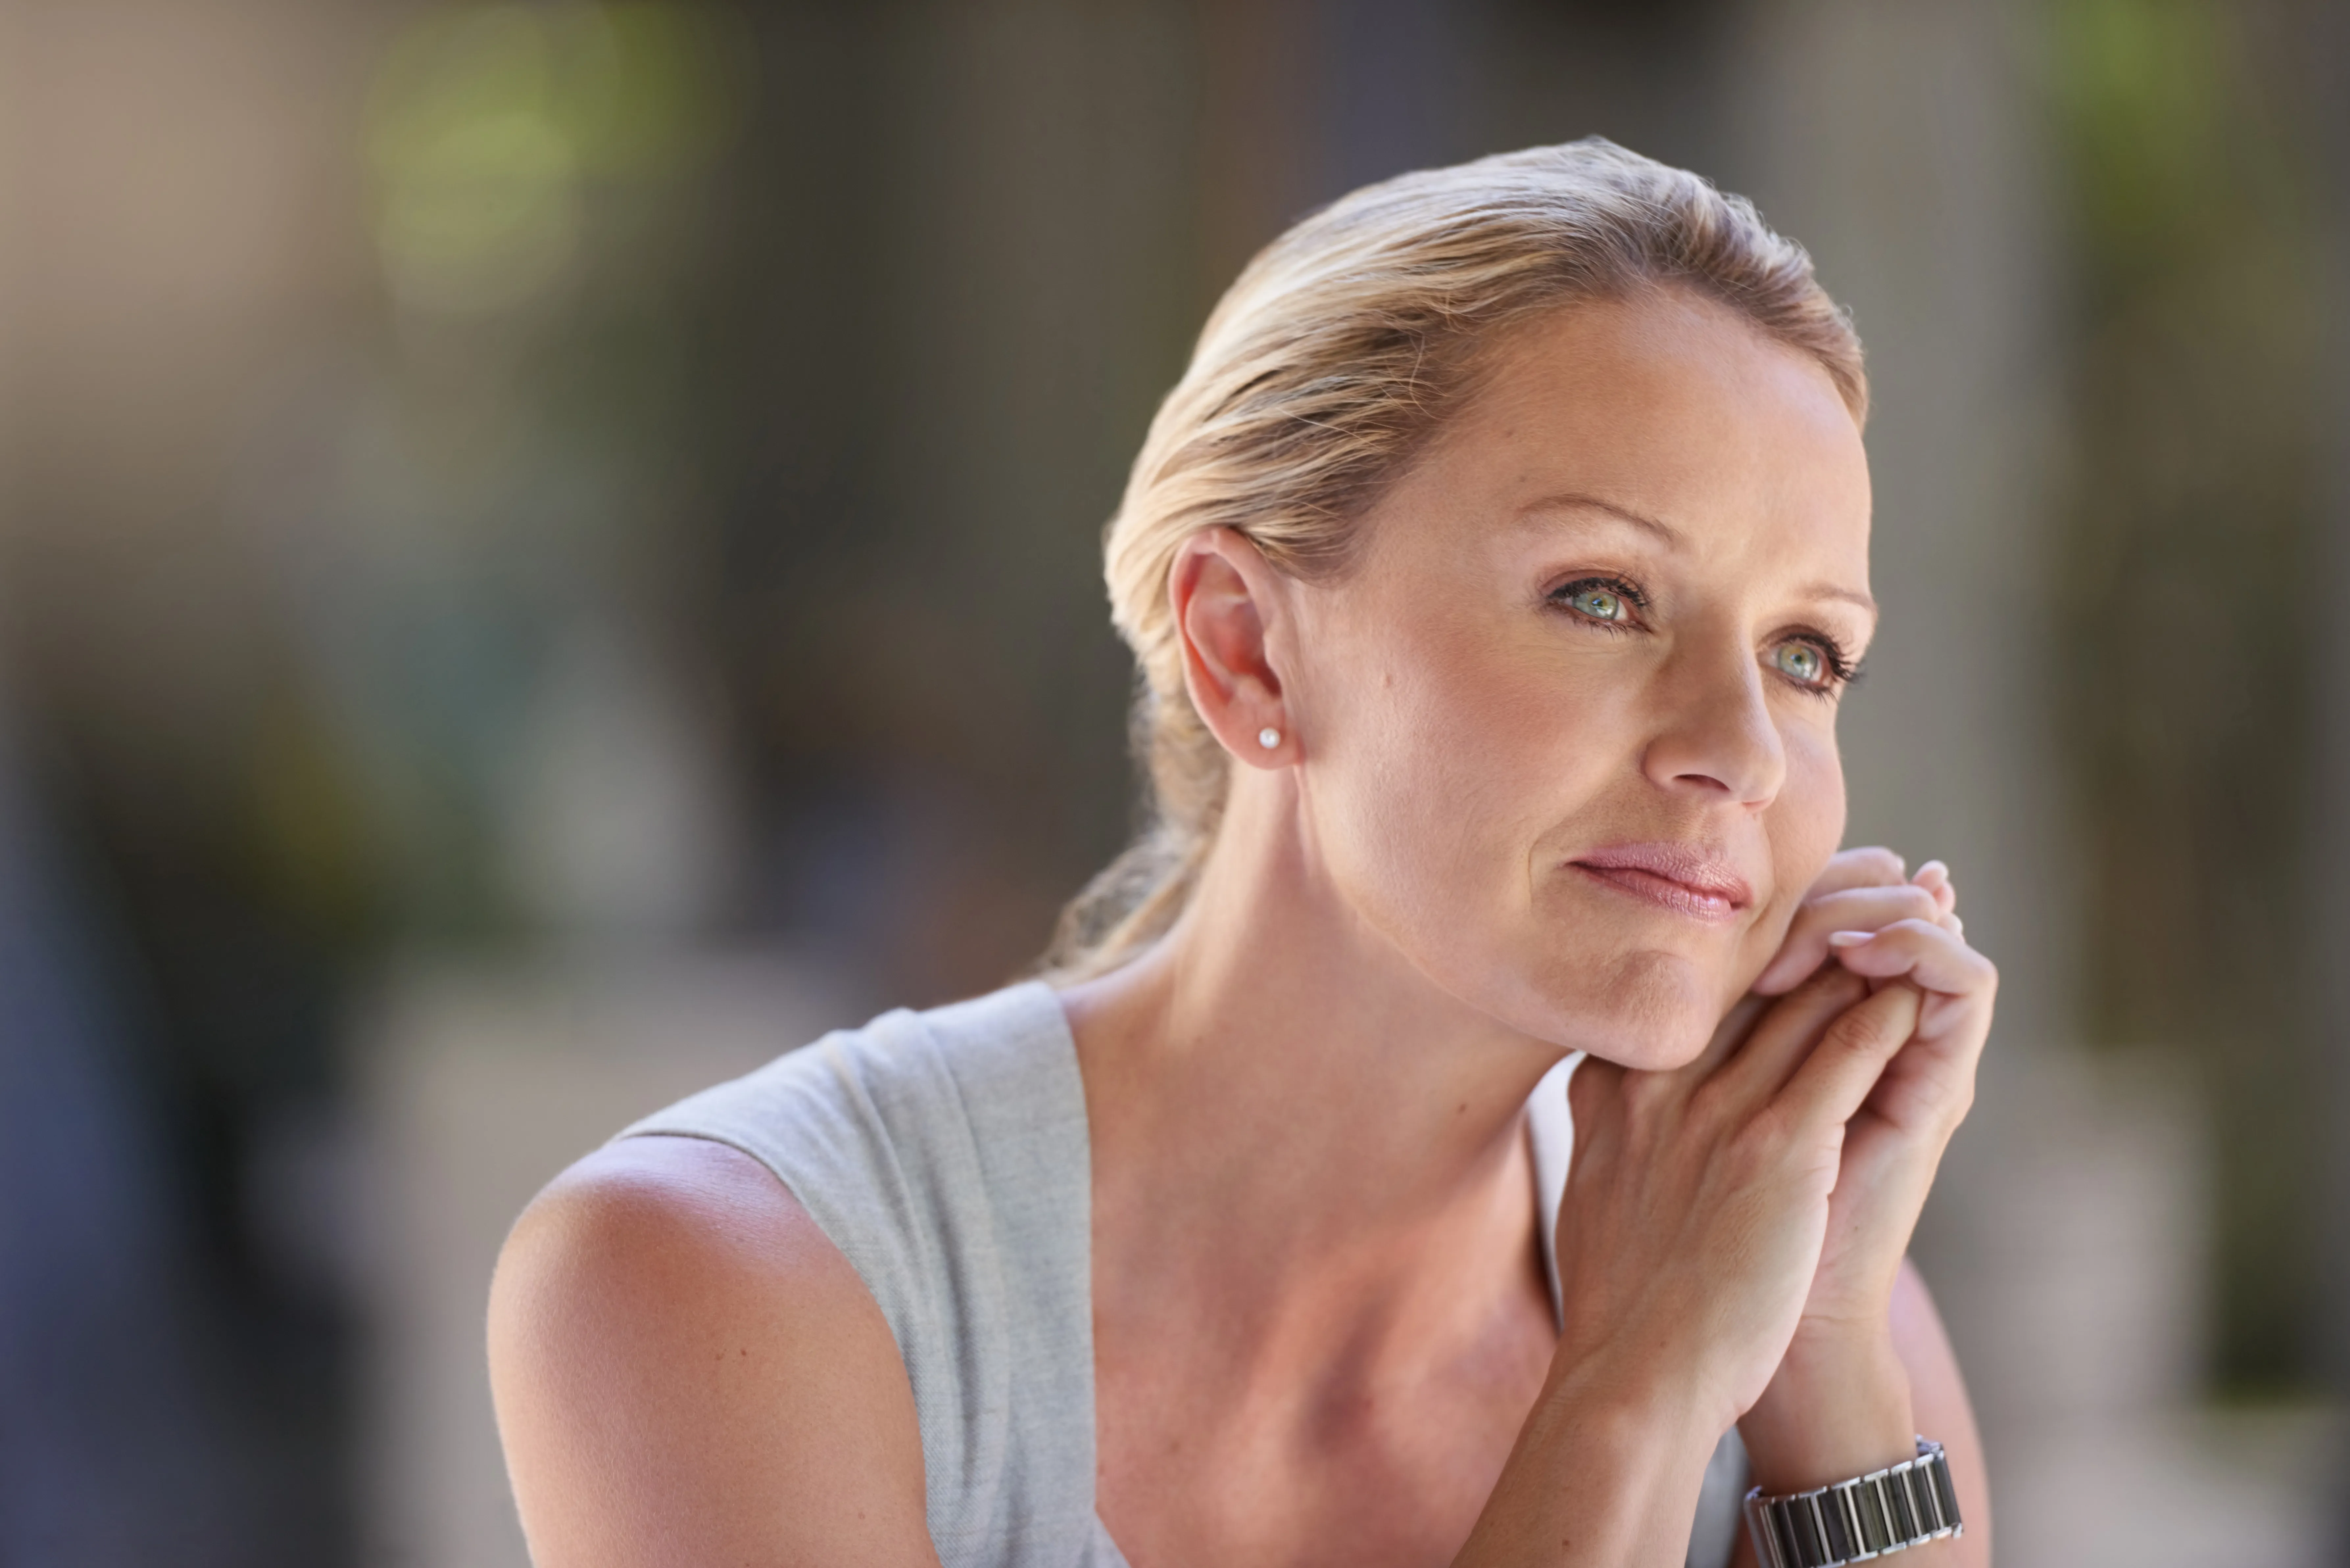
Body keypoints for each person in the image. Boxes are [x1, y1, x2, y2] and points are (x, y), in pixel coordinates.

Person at [488, 139, 1995, 1568]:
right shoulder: (723, 1281)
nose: (1737, 746)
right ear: (1246, 650)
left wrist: (1818, 1385)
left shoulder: (1811, 1317)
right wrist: (1633, 1390)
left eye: (1808, 654)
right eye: (1602, 595)